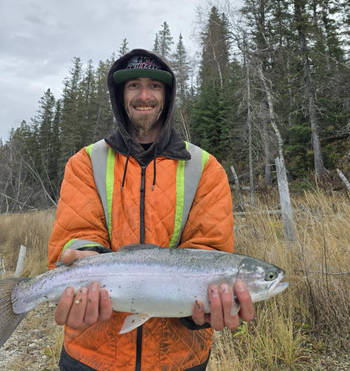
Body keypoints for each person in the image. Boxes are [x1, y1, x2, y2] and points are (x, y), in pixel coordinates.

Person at [48, 48, 254, 371]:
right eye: (133, 86)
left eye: (155, 86)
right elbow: (75, 235)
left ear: (168, 95)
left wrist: (201, 313)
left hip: (179, 359)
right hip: (92, 355)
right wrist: (80, 254)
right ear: (120, 94)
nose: (144, 95)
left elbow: (208, 252)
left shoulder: (207, 169)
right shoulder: (85, 163)